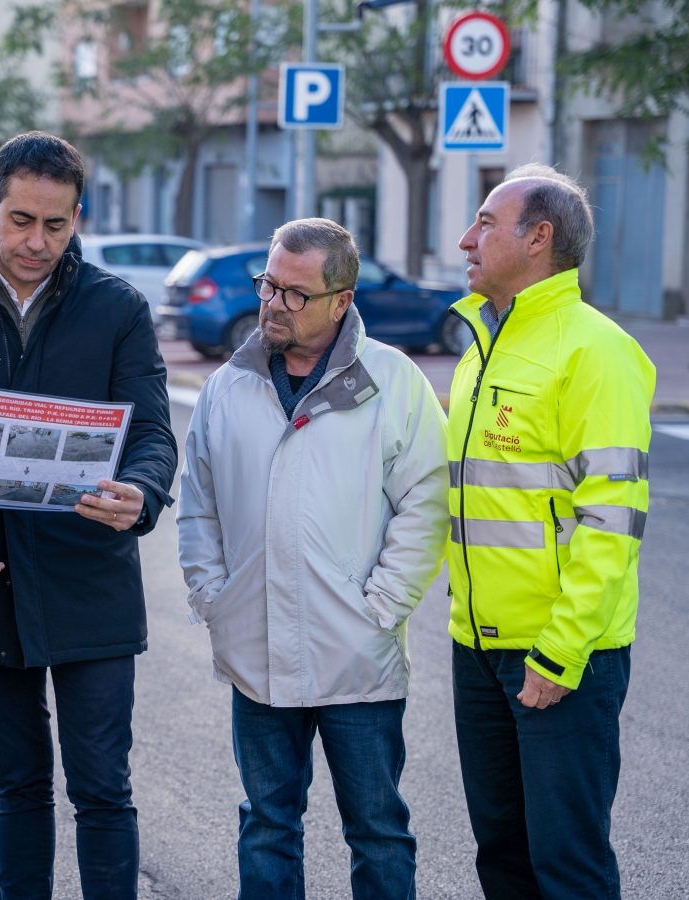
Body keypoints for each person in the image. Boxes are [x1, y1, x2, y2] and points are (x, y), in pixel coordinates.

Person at [0, 131, 177, 900]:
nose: (37, 241)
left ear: (78, 218)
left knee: (102, 785)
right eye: (21, 220)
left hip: (89, 577)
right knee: (20, 780)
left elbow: (152, 432)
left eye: (56, 225)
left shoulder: (118, 308)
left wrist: (142, 491)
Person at [177, 218, 449, 899]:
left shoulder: (394, 381)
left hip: (356, 656)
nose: (273, 304)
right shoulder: (228, 386)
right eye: (268, 285)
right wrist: (214, 598)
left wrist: (380, 608)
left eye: (295, 294)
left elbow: (426, 505)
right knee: (267, 824)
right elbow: (198, 505)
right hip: (256, 654)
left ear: (341, 300)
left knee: (377, 830)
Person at [446, 163, 655, 899]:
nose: (466, 240)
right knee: (502, 858)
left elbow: (612, 519)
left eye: (485, 224)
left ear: (538, 238)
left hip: (560, 656)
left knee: (567, 866)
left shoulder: (595, 351)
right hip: (478, 649)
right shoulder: (482, 348)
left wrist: (561, 652)